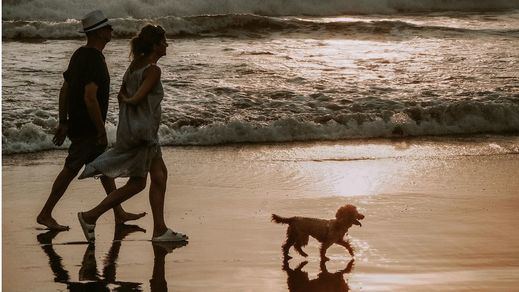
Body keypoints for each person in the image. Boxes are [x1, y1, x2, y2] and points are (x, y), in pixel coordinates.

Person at [77, 25, 188, 243]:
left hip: (133, 130)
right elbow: (136, 97)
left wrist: (127, 101)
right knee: (138, 183)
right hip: (143, 132)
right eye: (164, 41)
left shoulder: (133, 66)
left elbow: (122, 94)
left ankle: (160, 229)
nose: (167, 45)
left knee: (160, 175)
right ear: (155, 45)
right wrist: (131, 101)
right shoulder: (153, 70)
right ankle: (90, 216)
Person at [36, 10, 145, 231]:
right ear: (99, 33)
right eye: (107, 28)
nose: (111, 31)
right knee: (70, 168)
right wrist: (100, 130)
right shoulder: (95, 60)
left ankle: (119, 212)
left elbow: (65, 89)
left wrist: (64, 121)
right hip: (88, 128)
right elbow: (90, 98)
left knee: (104, 168)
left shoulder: (79, 54)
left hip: (77, 123)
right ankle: (45, 213)